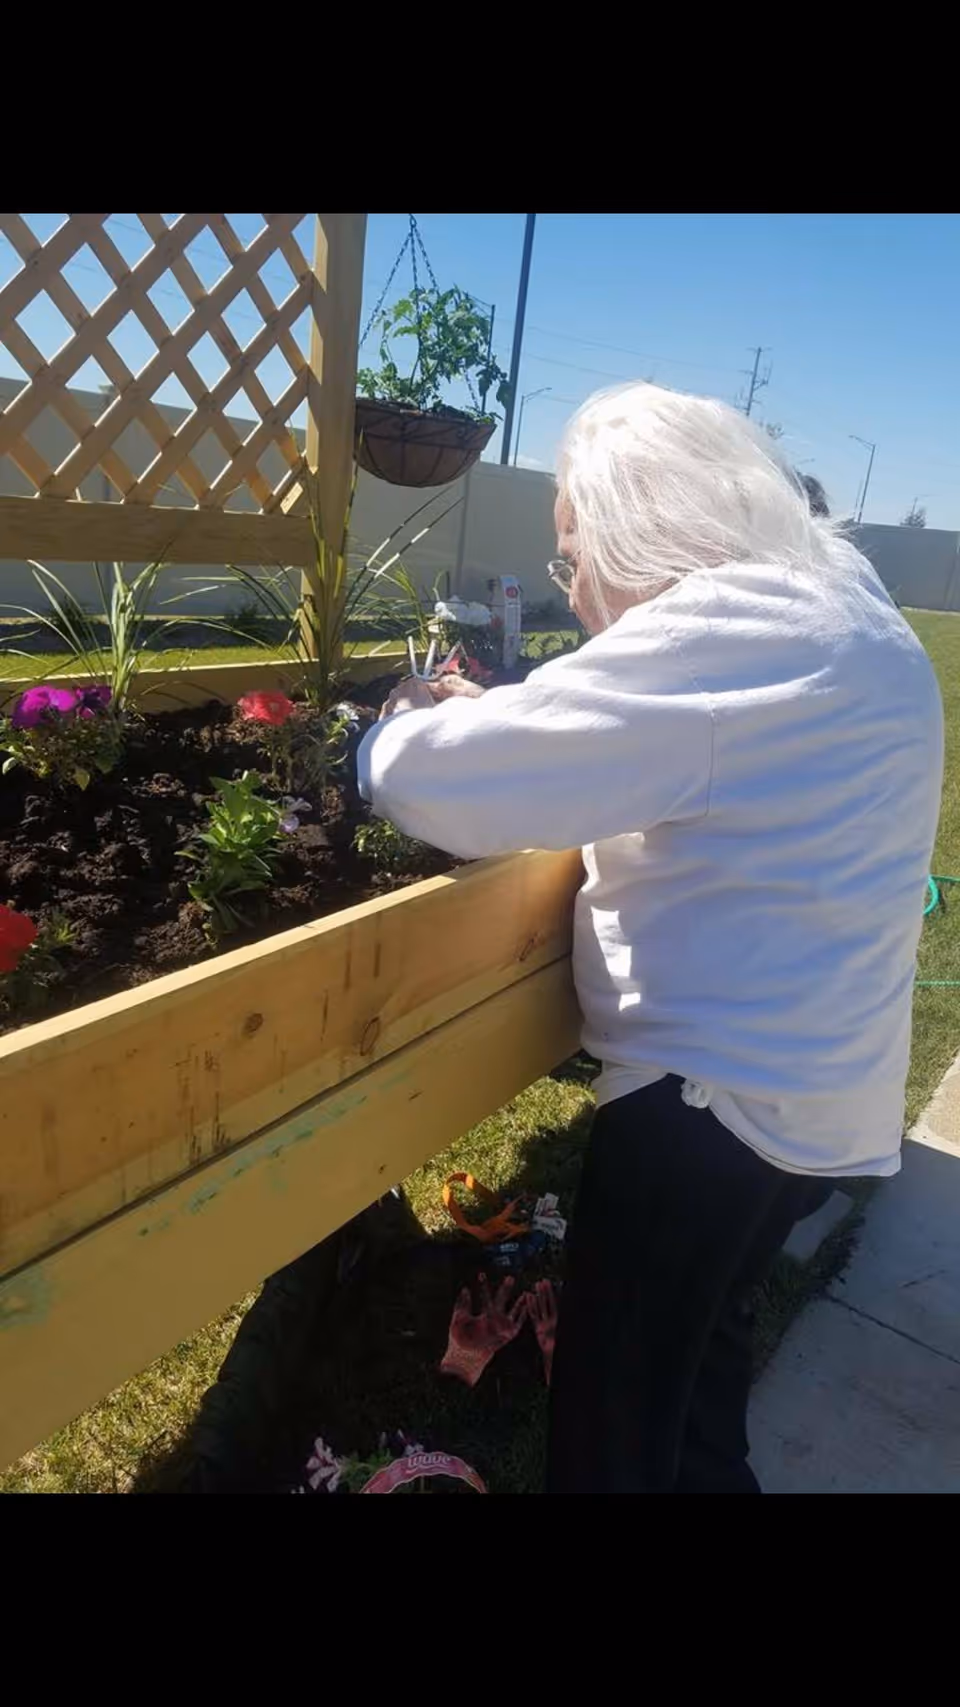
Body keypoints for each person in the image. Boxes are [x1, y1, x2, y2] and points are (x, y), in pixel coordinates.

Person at [356, 383, 943, 1494]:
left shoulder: (739, 630)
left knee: (611, 1436)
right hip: (810, 1108)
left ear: (644, 526)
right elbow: (663, 737)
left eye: (576, 555)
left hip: (709, 1116)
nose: (574, 592)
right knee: (699, 1385)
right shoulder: (843, 607)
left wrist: (381, 742)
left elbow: (464, 784)